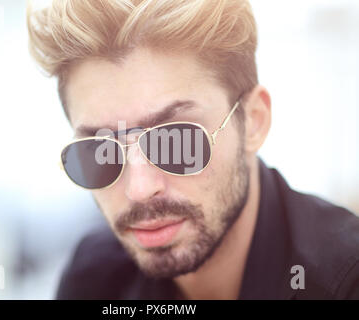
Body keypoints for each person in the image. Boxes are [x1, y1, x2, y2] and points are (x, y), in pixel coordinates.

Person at [27, 0, 359, 299]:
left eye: (176, 142)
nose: (140, 189)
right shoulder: (94, 280)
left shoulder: (344, 281)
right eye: (100, 152)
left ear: (254, 121)